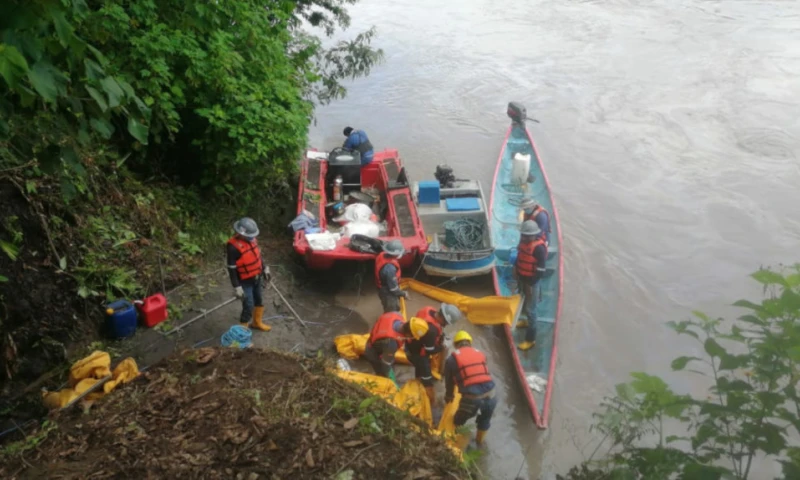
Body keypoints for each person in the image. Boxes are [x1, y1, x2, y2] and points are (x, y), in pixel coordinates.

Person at [444, 330, 497, 447]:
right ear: (470, 343)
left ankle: (455, 445)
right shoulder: (481, 354)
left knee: (458, 420)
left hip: (472, 399)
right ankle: (480, 444)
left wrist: (449, 396)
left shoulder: (451, 360)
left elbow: (449, 382)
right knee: (485, 420)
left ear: (455, 345)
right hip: (492, 395)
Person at [403, 303, 461, 406]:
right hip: (417, 355)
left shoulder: (428, 309)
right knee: (427, 380)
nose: (445, 325)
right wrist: (442, 347)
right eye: (446, 323)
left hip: (409, 346)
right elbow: (430, 350)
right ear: (442, 318)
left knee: (420, 370)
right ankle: (429, 401)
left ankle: (418, 378)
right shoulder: (432, 330)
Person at [227, 217, 271, 331]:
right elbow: (231, 269)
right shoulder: (233, 247)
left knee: (259, 300)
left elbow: (257, 256)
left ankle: (257, 323)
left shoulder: (252, 240)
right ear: (241, 233)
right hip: (245, 281)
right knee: (248, 305)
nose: (252, 237)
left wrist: (265, 268)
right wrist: (237, 286)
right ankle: (242, 332)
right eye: (249, 235)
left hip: (257, 277)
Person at [514, 220, 547, 350]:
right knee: (523, 303)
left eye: (528, 236)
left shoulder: (539, 248)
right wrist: (516, 270)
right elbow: (519, 257)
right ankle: (526, 322)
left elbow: (541, 270)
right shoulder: (522, 243)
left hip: (532, 282)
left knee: (531, 310)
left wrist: (530, 285)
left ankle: (530, 339)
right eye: (524, 235)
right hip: (522, 278)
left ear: (534, 235)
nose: (525, 238)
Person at [374, 240, 409, 313]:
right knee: (391, 311)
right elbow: (393, 289)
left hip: (381, 286)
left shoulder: (382, 255)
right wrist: (403, 294)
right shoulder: (390, 269)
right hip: (387, 291)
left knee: (389, 306)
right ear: (395, 254)